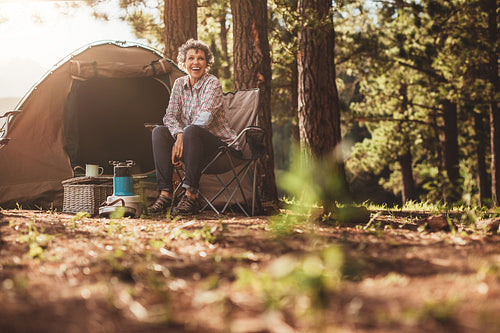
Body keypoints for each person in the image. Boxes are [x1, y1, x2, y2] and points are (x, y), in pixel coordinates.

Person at [149, 39, 240, 216]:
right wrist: (179, 135)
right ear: (184, 63)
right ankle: (166, 193)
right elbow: (170, 115)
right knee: (159, 131)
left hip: (220, 149)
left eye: (201, 58)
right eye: (191, 58)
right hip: (190, 144)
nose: (196, 62)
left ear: (207, 63)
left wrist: (182, 138)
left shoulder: (212, 83)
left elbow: (203, 119)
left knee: (192, 130)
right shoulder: (179, 84)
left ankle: (191, 195)